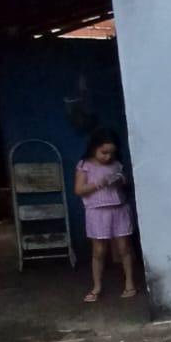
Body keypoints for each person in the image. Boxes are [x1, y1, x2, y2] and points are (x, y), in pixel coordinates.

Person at [74, 129, 137, 302]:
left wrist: (120, 180)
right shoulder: (84, 165)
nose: (107, 157)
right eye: (104, 152)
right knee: (99, 250)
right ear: (94, 148)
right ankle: (97, 286)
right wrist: (98, 184)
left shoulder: (117, 164)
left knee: (124, 248)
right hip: (97, 211)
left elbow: (126, 182)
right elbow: (79, 190)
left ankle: (130, 283)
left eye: (111, 153)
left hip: (119, 208)